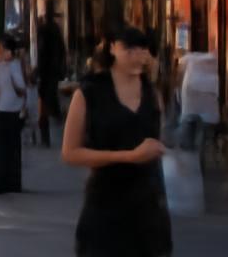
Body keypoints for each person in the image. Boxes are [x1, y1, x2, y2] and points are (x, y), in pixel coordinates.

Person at [61, 25, 172, 257]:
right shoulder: (89, 93)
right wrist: (128, 156)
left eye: (142, 49)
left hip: (147, 207)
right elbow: (70, 153)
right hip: (105, 204)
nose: (136, 55)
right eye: (128, 49)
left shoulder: (153, 94)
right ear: (112, 48)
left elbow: (158, 141)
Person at [0, 33, 28, 194]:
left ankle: (12, 183)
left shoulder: (15, 65)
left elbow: (21, 88)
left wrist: (10, 67)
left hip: (11, 111)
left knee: (11, 149)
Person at [174, 43, 219, 152]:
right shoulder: (209, 64)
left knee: (189, 119)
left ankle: (187, 143)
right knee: (203, 123)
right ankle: (203, 144)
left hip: (190, 93)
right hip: (202, 98)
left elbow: (179, 74)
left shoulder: (189, 61)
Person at [36, 18, 68, 148]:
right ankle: (47, 134)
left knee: (45, 103)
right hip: (52, 74)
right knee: (48, 102)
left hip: (47, 75)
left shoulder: (45, 41)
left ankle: (46, 136)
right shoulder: (56, 42)